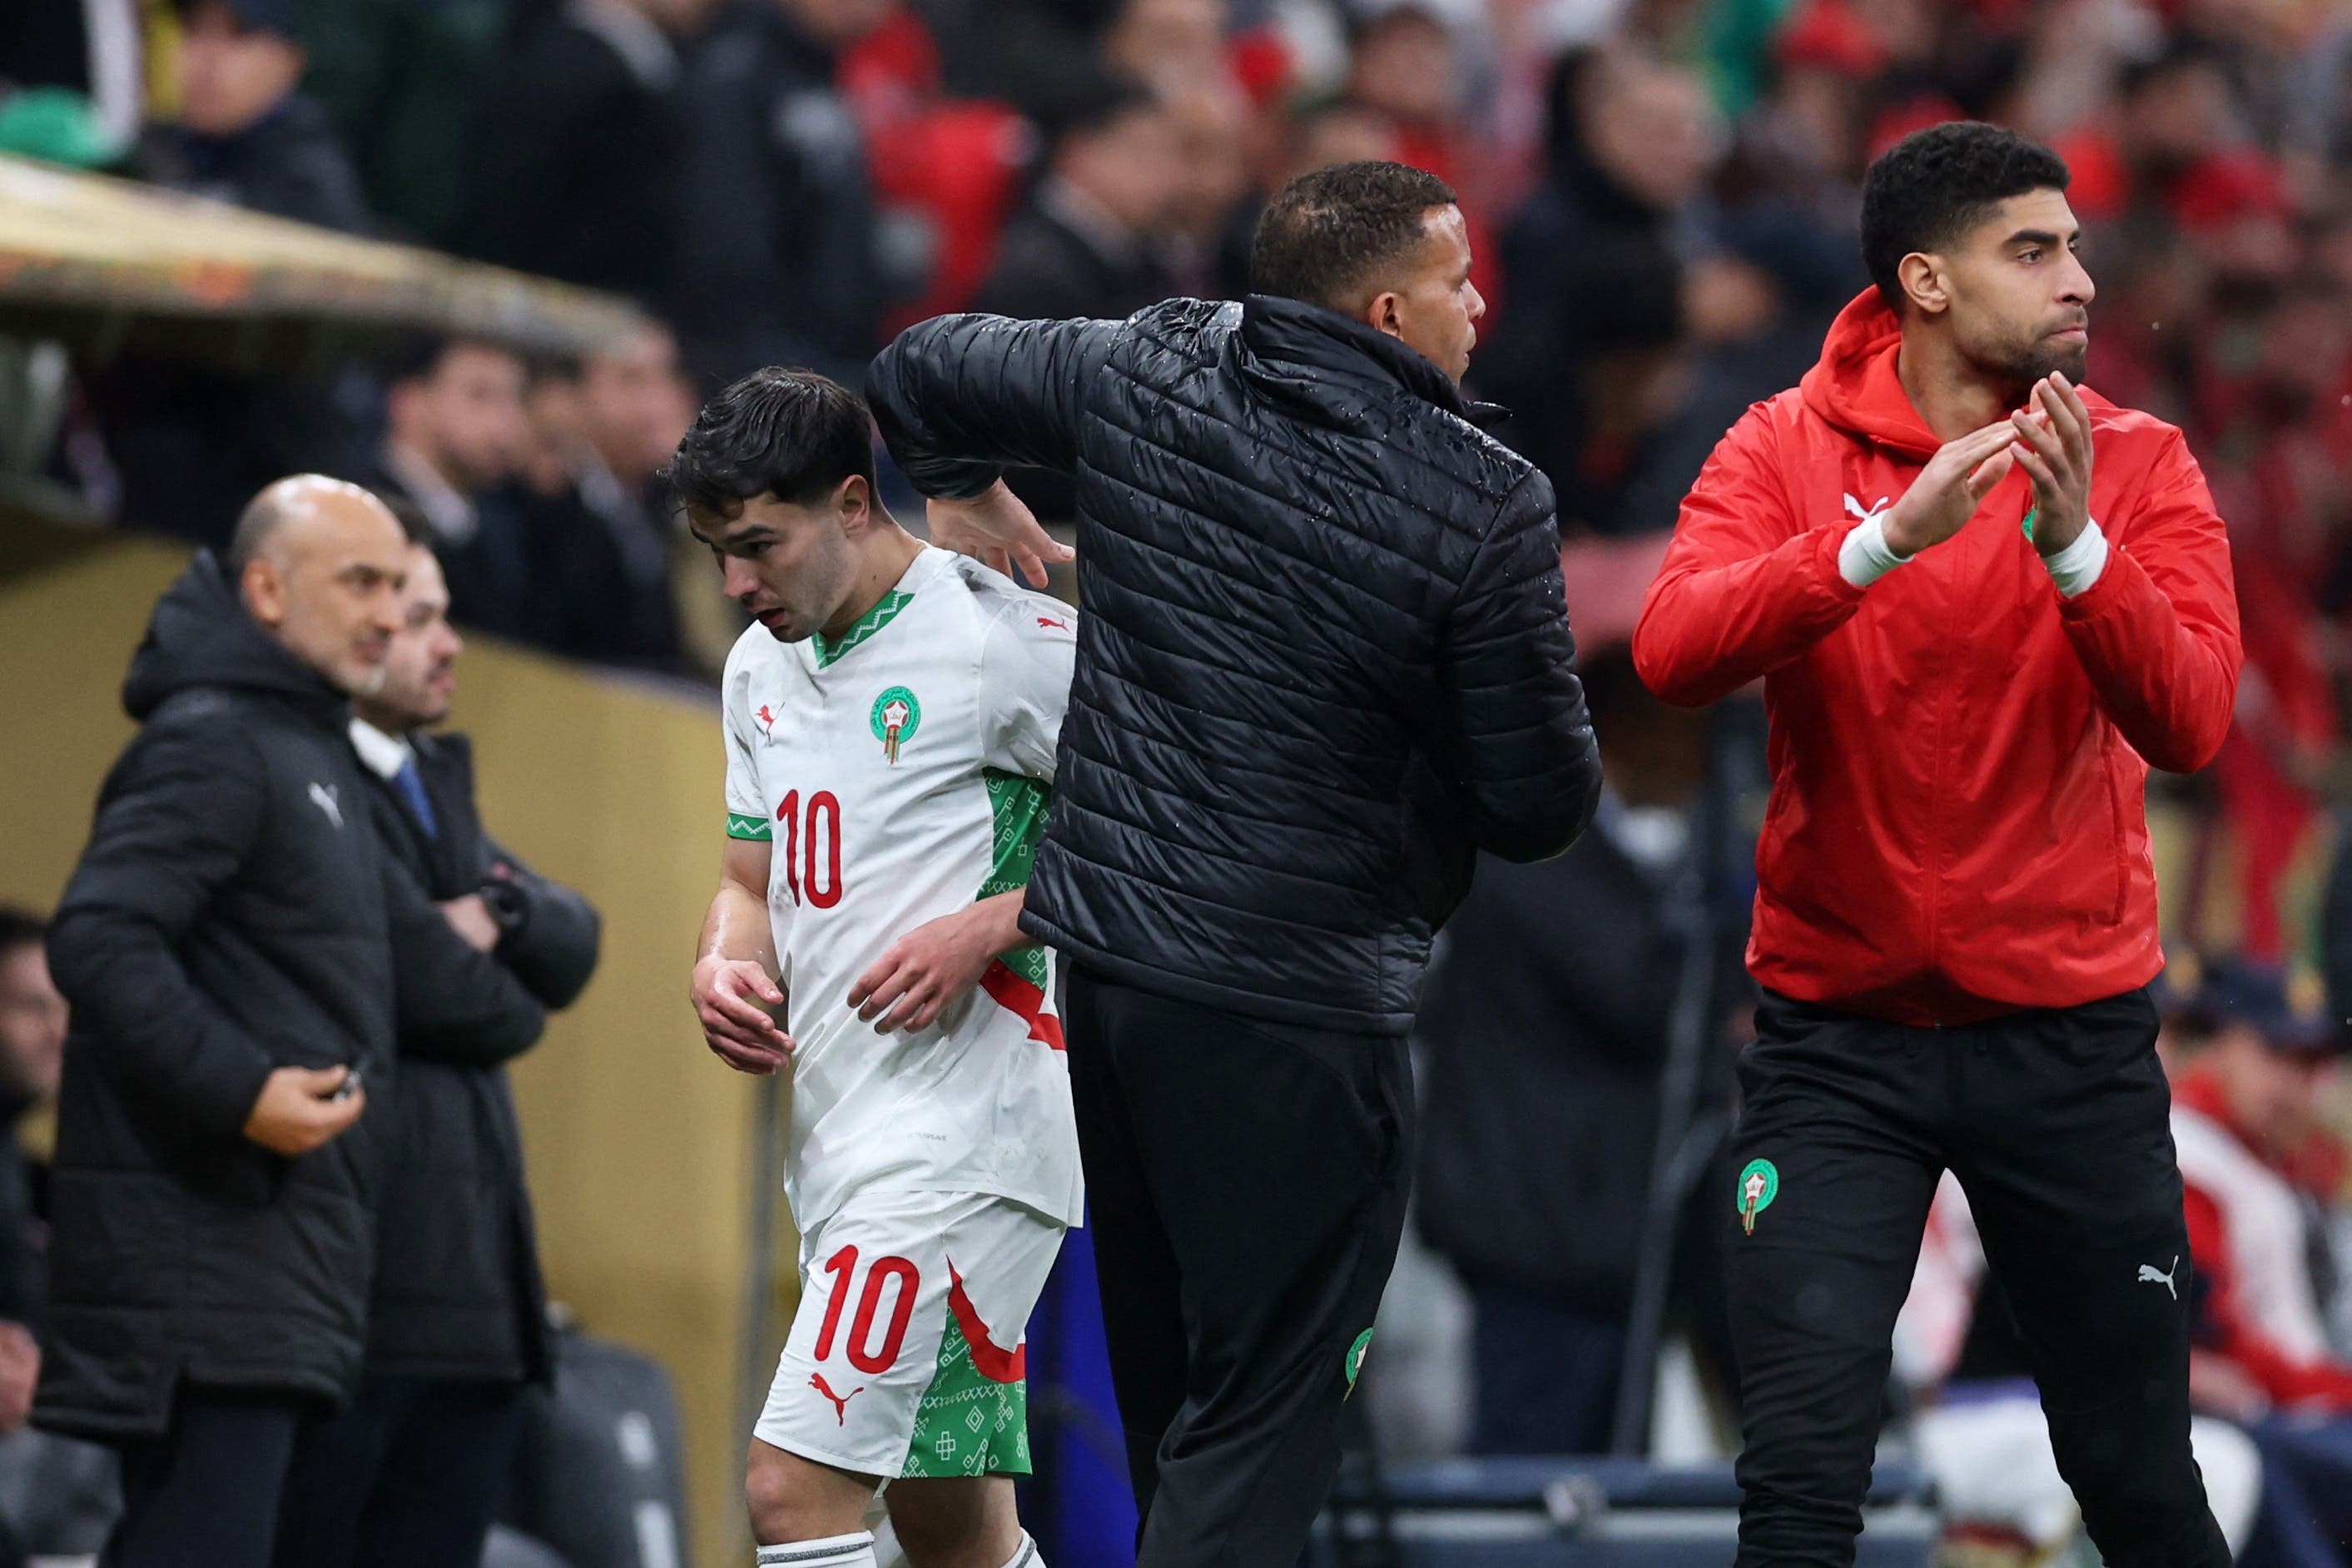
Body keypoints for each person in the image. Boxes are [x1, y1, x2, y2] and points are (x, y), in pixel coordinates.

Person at [865, 158, 1600, 1566]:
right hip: (1302, 1004)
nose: (1481, 305)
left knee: (1178, 1407)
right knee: (1260, 1412)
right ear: (1390, 310)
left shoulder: (1151, 362)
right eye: (1459, 283)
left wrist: (963, 495)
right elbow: (1537, 801)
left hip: (1121, 985)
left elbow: (919, 366)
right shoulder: (1480, 494)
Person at [1632, 120, 2241, 1566]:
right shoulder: (1781, 448)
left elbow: (2196, 718)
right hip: (1838, 1044)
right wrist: (1875, 542)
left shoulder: (2141, 463)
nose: (2079, 278)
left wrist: (2079, 547)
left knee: (2139, 1477)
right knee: (1797, 1482)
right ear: (1924, 279)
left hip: (2070, 1040)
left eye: (2076, 245)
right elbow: (1668, 650)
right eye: (2032, 250)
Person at [36, 475, 544, 1568]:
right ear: (266, 591)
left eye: (397, 586)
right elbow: (98, 937)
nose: (385, 612)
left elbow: (480, 981)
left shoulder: (301, 747)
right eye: (360, 582)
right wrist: (241, 1089)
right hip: (204, 1268)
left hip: (271, 1270)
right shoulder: (215, 739)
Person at [675, 369, 1081, 1568]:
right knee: (949, 1531)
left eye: (757, 545)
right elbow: (748, 884)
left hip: (963, 1144)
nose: (737, 586)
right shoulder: (758, 668)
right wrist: (721, 962)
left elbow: (1180, 827)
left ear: (854, 502)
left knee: (790, 1495)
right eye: (712, 553)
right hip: (848, 1146)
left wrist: (994, 923)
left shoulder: (999, 637)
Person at [271, 538, 601, 1568]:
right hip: (362, 1313)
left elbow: (572, 936)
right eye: (418, 620)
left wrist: (495, 907)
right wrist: (496, 962)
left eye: (440, 614)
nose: (447, 646)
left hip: (475, 1315)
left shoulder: (434, 781)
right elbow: (461, 993)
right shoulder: (296, 781)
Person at [1413, 648, 1742, 1456]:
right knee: (1538, 1478)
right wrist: (1743, 929)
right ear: (1626, 732)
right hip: (1540, 1233)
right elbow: (1639, 995)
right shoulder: (1530, 844)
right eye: (1683, 734)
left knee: (1611, 1472)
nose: (1700, 764)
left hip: (1618, 1238)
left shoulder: (1647, 860)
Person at [669, 0, 897, 388]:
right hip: (762, 368)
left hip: (829, 358)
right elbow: (727, 245)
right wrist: (779, 370)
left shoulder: (821, 68)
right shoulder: (738, 68)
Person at [357, 335, 535, 643]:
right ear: (408, 402)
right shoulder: (357, 512)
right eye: (481, 395)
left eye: (515, 399)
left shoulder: (503, 528)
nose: (507, 422)